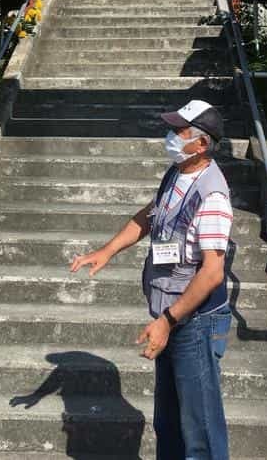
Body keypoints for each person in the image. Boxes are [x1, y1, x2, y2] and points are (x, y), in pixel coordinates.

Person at [71, 99, 233, 460]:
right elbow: (150, 215)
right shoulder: (177, 172)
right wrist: (108, 250)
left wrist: (168, 320)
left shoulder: (213, 196)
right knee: (170, 423)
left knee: (201, 429)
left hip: (194, 321)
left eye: (180, 131)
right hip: (170, 314)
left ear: (202, 144)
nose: (171, 136)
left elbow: (212, 272)